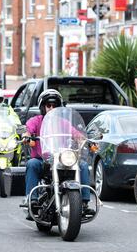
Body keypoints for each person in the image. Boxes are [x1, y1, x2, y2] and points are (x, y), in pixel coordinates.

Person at [23, 89, 94, 220]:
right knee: (32, 164)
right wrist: (27, 136)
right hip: (43, 160)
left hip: (63, 158)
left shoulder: (63, 122)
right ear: (43, 107)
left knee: (83, 165)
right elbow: (28, 130)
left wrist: (85, 140)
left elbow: (76, 134)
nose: (51, 108)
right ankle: (31, 201)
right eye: (48, 105)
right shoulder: (36, 120)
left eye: (54, 106)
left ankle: (84, 202)